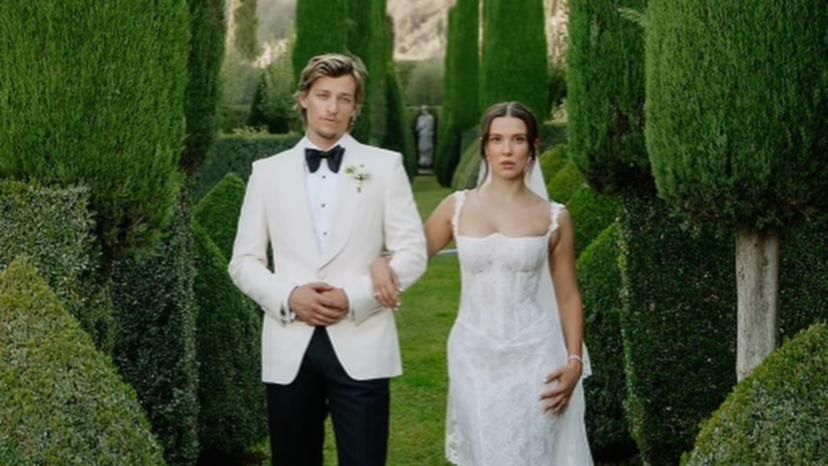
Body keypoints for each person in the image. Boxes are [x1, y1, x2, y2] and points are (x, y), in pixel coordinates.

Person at [228, 53, 427, 466]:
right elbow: (243, 261)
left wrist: (354, 296)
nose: (332, 108)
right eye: (323, 96)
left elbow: (413, 253)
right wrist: (289, 296)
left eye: (344, 98)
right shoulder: (266, 172)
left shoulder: (384, 166)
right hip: (289, 344)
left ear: (355, 108)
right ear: (304, 98)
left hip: (363, 338)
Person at [371, 101, 593, 465]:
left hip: (537, 355)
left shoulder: (555, 217)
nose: (507, 150)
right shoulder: (456, 207)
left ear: (533, 146)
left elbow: (568, 296)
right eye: (497, 139)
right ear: (485, 146)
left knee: (531, 454)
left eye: (518, 139)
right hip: (473, 353)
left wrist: (574, 360)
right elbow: (411, 256)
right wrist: (381, 263)